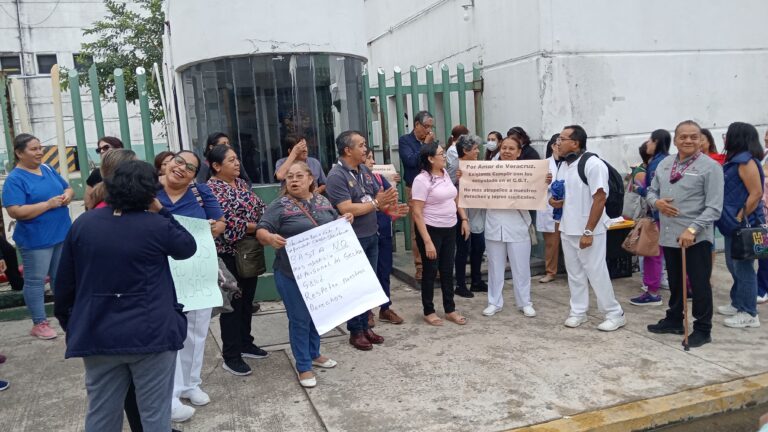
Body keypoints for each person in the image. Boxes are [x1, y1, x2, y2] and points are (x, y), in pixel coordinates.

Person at [54, 160, 197, 432]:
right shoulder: (156, 225)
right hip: (151, 333)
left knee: (101, 415)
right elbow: (187, 247)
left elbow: (65, 284)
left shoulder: (84, 224)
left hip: (97, 331)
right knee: (154, 418)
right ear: (150, 192)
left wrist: (72, 323)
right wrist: (163, 212)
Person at [256, 161, 351, 388]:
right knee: (299, 319)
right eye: (290, 177)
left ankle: (314, 353)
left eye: (299, 176)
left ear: (311, 179)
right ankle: (303, 365)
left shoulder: (322, 200)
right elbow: (261, 230)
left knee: (317, 315)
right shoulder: (279, 205)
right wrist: (269, 238)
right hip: (290, 274)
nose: (294, 181)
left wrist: (344, 220)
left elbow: (333, 222)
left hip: (319, 273)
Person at [157, 151, 225, 422]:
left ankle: (191, 384)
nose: (181, 168)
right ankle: (171, 391)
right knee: (170, 332)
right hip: (162, 272)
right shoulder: (150, 191)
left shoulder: (201, 193)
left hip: (196, 270)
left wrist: (213, 229)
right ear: (168, 163)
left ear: (194, 175)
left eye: (190, 168)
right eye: (178, 161)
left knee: (197, 330)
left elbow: (220, 222)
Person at [647, 120, 723, 347]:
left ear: (701, 140)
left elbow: (714, 207)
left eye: (693, 136)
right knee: (675, 281)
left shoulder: (711, 167)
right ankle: (675, 319)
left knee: (699, 284)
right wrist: (656, 203)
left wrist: (692, 229)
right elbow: (651, 191)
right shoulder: (665, 163)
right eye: (683, 137)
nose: (688, 140)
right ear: (676, 139)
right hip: (669, 234)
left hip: (695, 237)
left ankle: (702, 328)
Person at [550, 125, 625, 331]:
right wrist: (555, 202)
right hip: (567, 228)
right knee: (574, 273)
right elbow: (566, 195)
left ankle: (614, 313)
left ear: (575, 142)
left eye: (562, 139)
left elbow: (600, 198)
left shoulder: (593, 164)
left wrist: (589, 231)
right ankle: (578, 311)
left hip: (588, 230)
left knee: (596, 271)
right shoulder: (564, 166)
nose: (558, 143)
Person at [326, 131, 396, 350]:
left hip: (371, 235)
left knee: (367, 285)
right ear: (348, 150)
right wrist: (377, 203)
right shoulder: (337, 175)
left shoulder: (364, 170)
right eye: (362, 145)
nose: (366, 149)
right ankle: (355, 331)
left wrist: (392, 208)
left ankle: (366, 325)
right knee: (353, 287)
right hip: (352, 240)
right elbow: (346, 208)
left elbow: (378, 199)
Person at [2, 133, 73, 340]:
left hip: (61, 234)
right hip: (37, 240)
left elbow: (67, 187)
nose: (40, 152)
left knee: (61, 278)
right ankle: (39, 322)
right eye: (33, 149)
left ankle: (65, 315)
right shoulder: (15, 179)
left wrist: (68, 195)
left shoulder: (48, 169)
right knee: (35, 281)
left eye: (40, 147)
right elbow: (15, 211)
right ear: (19, 153)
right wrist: (47, 205)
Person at [207, 144, 269, 376]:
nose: (237, 163)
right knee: (232, 305)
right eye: (231, 160)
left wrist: (265, 220)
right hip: (228, 254)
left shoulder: (241, 183)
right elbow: (228, 224)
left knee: (247, 300)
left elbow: (260, 206)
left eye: (237, 159)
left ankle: (246, 342)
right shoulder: (211, 190)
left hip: (249, 251)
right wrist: (259, 227)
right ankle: (231, 355)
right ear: (216, 166)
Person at [411, 142, 470, 326]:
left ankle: (450, 309)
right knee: (430, 271)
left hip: (450, 228)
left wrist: (464, 219)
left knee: (447, 269)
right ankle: (428, 310)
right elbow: (417, 212)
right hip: (430, 230)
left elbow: (455, 197)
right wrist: (427, 241)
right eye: (441, 154)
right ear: (430, 158)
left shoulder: (445, 175)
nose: (444, 156)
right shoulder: (421, 180)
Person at [480, 136, 536, 317]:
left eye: (512, 148)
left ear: (519, 152)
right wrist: (464, 178)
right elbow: (475, 187)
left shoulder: (529, 172)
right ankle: (494, 302)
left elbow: (536, 195)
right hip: (494, 223)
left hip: (518, 224)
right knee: (495, 267)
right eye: (504, 148)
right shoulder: (488, 170)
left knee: (521, 267)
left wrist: (544, 181)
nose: (507, 151)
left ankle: (525, 302)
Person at [715, 122, 765, 329]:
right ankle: (738, 303)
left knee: (744, 269)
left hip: (743, 226)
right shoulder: (734, 161)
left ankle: (749, 313)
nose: (725, 138)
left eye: (727, 134)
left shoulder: (746, 162)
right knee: (733, 265)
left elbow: (756, 193)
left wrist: (738, 217)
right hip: (731, 225)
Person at [364, 149, 408, 326]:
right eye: (368, 158)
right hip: (366, 232)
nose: (372, 161)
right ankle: (367, 311)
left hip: (384, 230)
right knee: (368, 273)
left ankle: (385, 307)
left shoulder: (378, 178)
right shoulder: (356, 181)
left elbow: (392, 197)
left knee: (384, 270)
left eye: (372, 158)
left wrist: (392, 210)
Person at [631, 129, 671, 306]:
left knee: (652, 253)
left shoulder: (656, 164)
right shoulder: (670, 161)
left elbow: (653, 191)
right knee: (673, 253)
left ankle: (652, 292)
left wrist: (637, 189)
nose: (647, 143)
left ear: (656, 142)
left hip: (658, 214)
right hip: (668, 214)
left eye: (650, 140)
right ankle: (689, 288)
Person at [398, 111, 435, 281]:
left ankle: (435, 265)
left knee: (434, 225)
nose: (428, 130)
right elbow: (411, 162)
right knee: (417, 228)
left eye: (431, 127)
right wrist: (425, 146)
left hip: (432, 187)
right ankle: (420, 266)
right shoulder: (406, 141)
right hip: (413, 188)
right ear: (417, 125)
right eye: (426, 126)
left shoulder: (432, 141)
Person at [453, 135, 487, 296]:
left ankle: (476, 280)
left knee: (478, 247)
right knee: (463, 248)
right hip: (461, 213)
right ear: (465, 151)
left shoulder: (477, 165)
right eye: (474, 149)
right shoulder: (455, 167)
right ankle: (460, 284)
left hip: (476, 211)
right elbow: (451, 190)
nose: (477, 151)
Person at [537, 134, 562, 283]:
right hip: (550, 208)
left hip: (567, 208)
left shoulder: (570, 164)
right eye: (559, 144)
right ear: (553, 146)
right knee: (551, 243)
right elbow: (536, 187)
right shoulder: (544, 164)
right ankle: (551, 272)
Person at [84, 136, 124, 210]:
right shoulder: (96, 173)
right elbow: (88, 202)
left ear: (119, 149)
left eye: (106, 147)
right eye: (99, 149)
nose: (102, 151)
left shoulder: (130, 169)